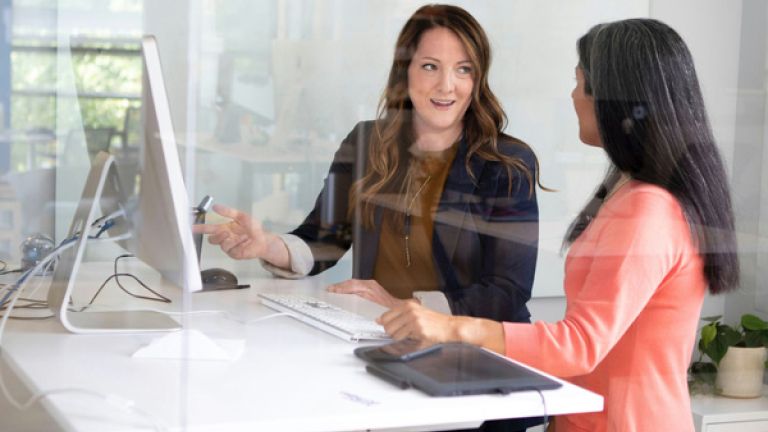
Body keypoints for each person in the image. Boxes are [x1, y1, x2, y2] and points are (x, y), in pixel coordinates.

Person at [376, 18, 740, 432]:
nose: (572, 97)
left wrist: (452, 326)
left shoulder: (648, 208)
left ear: (614, 99)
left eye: (580, 83)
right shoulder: (630, 191)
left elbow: (581, 344)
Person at [196, 4, 544, 430]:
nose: (446, 85)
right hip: (387, 346)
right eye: (430, 66)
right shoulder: (367, 142)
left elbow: (508, 292)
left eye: (464, 69)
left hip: (472, 361)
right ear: (406, 72)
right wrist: (267, 244)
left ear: (479, 78)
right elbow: (323, 237)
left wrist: (412, 308)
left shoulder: (505, 161)